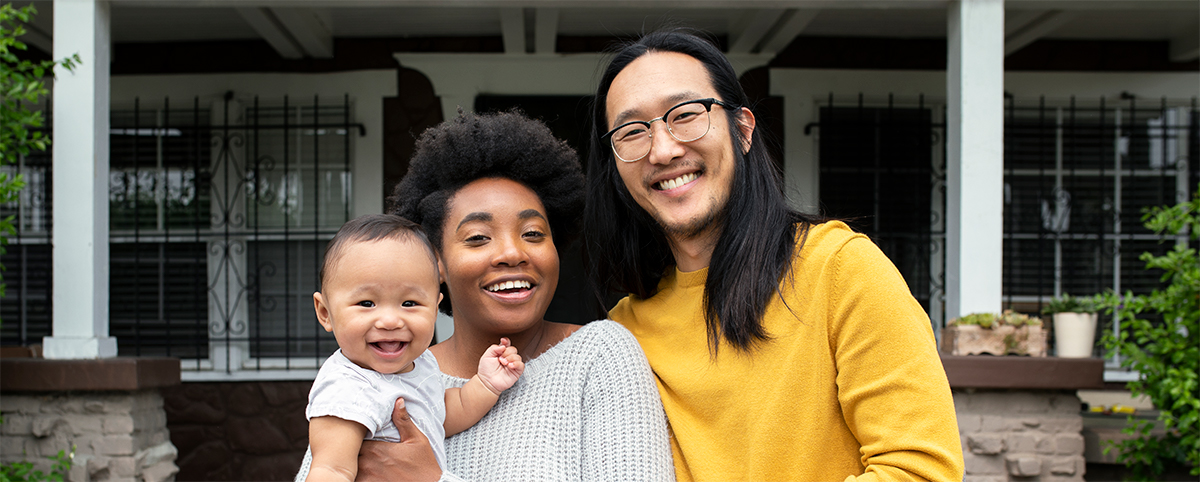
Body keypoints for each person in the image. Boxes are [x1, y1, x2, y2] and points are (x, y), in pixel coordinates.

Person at [583, 29, 965, 481]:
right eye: (632, 132)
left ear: (743, 130)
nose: (663, 150)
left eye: (685, 115)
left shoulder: (840, 269)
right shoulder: (625, 332)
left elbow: (921, 470)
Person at [299, 110, 674, 482]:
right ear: (435, 264)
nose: (512, 253)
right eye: (478, 237)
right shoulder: (378, 371)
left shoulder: (598, 357)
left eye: (532, 234)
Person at [302, 214, 525, 482]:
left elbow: (442, 414)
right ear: (325, 313)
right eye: (366, 303)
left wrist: (486, 384)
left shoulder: (422, 363)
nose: (390, 321)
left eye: (409, 303)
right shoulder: (346, 388)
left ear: (434, 309)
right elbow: (331, 470)